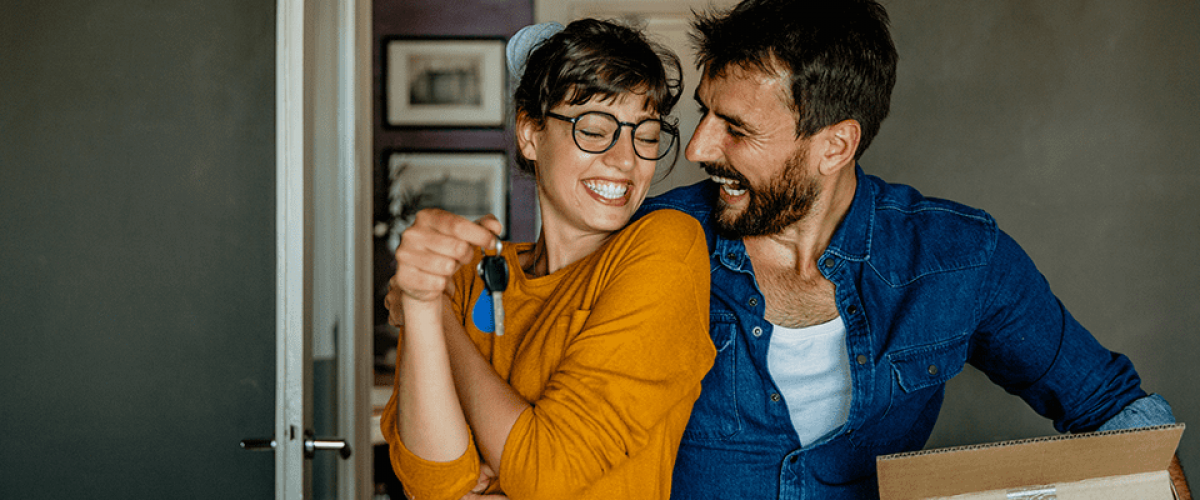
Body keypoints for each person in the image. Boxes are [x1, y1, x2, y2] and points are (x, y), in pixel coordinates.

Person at [625, 1, 1182, 499]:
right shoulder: (651, 241)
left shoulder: (959, 257)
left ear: (835, 145)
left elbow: (1113, 407)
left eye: (736, 129)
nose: (698, 147)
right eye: (705, 113)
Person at [379, 19, 715, 500]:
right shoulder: (470, 271)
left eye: (645, 134)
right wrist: (418, 299)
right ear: (530, 134)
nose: (625, 160)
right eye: (595, 129)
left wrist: (434, 313)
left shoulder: (667, 248)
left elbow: (545, 473)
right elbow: (433, 483)